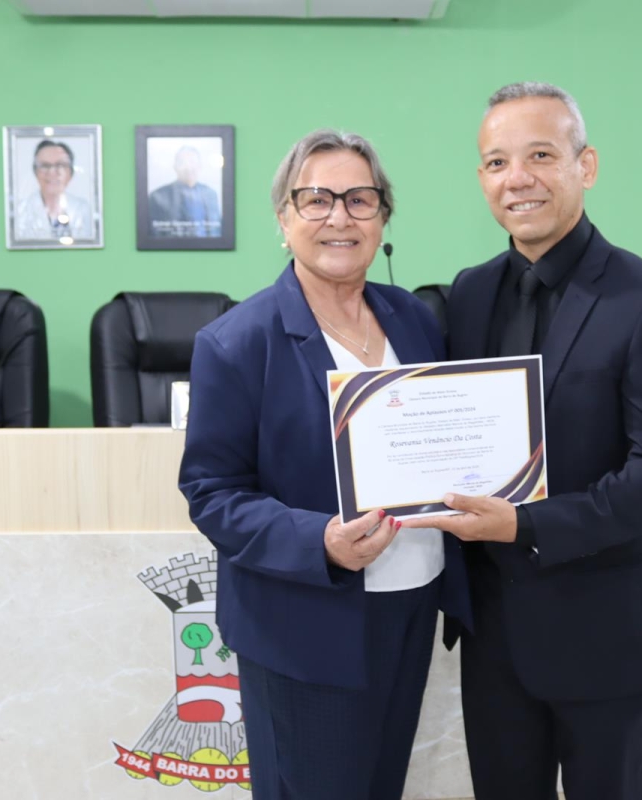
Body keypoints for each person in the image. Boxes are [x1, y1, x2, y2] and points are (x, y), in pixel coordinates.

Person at [401, 82, 642, 799]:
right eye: (497, 162)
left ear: (584, 166)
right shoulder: (470, 293)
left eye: (540, 155)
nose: (518, 178)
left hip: (604, 632)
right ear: (482, 179)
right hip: (492, 634)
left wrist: (527, 524)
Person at [177, 129, 471, 800]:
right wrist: (322, 541)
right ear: (284, 220)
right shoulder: (235, 342)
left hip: (413, 599)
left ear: (382, 218)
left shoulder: (415, 320)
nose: (340, 216)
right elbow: (211, 493)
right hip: (303, 619)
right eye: (316, 199)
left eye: (360, 199)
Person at [12, 139, 95, 242]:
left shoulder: (84, 209)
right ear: (35, 171)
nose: (52, 172)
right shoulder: (20, 211)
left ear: (71, 172)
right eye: (45, 166)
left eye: (60, 165)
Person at [148, 145, 222, 238]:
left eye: (192, 162)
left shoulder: (210, 194)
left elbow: (217, 230)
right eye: (182, 163)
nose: (188, 167)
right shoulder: (158, 196)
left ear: (200, 166)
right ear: (175, 167)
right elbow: (154, 233)